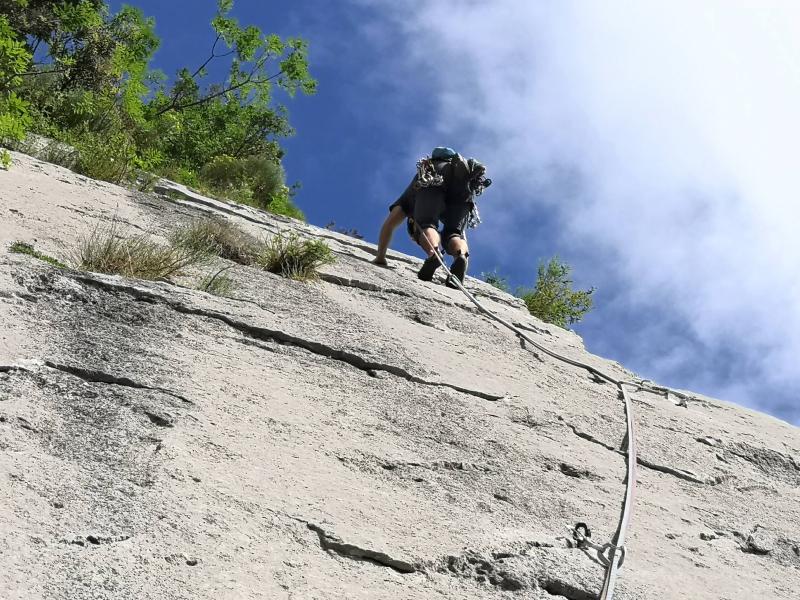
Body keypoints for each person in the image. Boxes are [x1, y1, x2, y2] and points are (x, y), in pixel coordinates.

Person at [372, 147, 489, 288]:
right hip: (464, 186)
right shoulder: (459, 170)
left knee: (427, 224)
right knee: (454, 233)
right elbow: (462, 235)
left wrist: (380, 257)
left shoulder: (427, 171)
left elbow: (389, 225)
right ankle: (461, 256)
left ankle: (434, 254)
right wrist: (462, 260)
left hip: (434, 178)